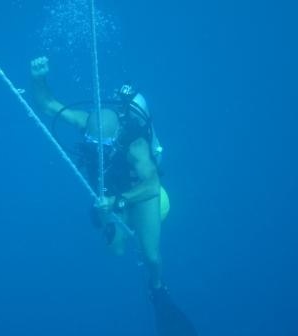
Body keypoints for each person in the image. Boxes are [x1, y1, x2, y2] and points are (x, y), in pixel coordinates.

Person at [30, 56, 197, 336]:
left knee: (151, 257)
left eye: (102, 145)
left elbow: (152, 186)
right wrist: (39, 79)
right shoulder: (89, 123)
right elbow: (48, 105)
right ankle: (118, 223)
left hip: (141, 192)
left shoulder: (136, 145)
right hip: (113, 194)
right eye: (92, 142)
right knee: (116, 249)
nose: (97, 149)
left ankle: (157, 289)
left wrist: (118, 202)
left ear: (115, 137)